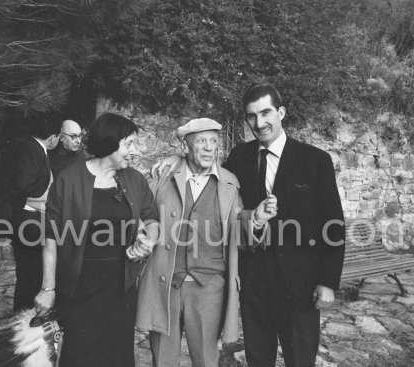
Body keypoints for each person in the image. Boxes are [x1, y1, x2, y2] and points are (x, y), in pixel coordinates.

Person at [154, 83, 345, 367]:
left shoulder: (314, 160)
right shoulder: (240, 158)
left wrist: (327, 282)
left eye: (266, 113)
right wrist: (178, 159)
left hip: (300, 282)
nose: (259, 123)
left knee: (300, 359)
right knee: (258, 358)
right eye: (252, 116)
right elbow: (205, 167)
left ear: (281, 112)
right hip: (255, 281)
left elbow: (333, 222)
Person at [137, 118, 277, 367]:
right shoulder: (163, 177)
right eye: (201, 141)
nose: (209, 147)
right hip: (166, 282)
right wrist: (141, 232)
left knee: (206, 360)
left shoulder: (230, 183)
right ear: (186, 146)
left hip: (209, 287)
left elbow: (238, 232)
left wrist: (255, 219)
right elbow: (141, 214)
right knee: (163, 361)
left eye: (214, 141)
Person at [34, 112, 160, 367]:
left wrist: (148, 241)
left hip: (121, 288)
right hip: (80, 288)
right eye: (129, 144)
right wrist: (48, 289)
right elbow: (51, 239)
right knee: (79, 356)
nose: (134, 151)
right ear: (110, 143)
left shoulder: (134, 179)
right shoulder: (68, 180)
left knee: (118, 357)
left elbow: (152, 220)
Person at [0, 114, 60, 313]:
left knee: (26, 272)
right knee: (32, 273)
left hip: (20, 219)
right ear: (53, 137)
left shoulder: (21, 146)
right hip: (27, 221)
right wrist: (34, 203)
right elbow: (22, 185)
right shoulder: (34, 151)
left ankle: (23, 315)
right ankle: (25, 317)